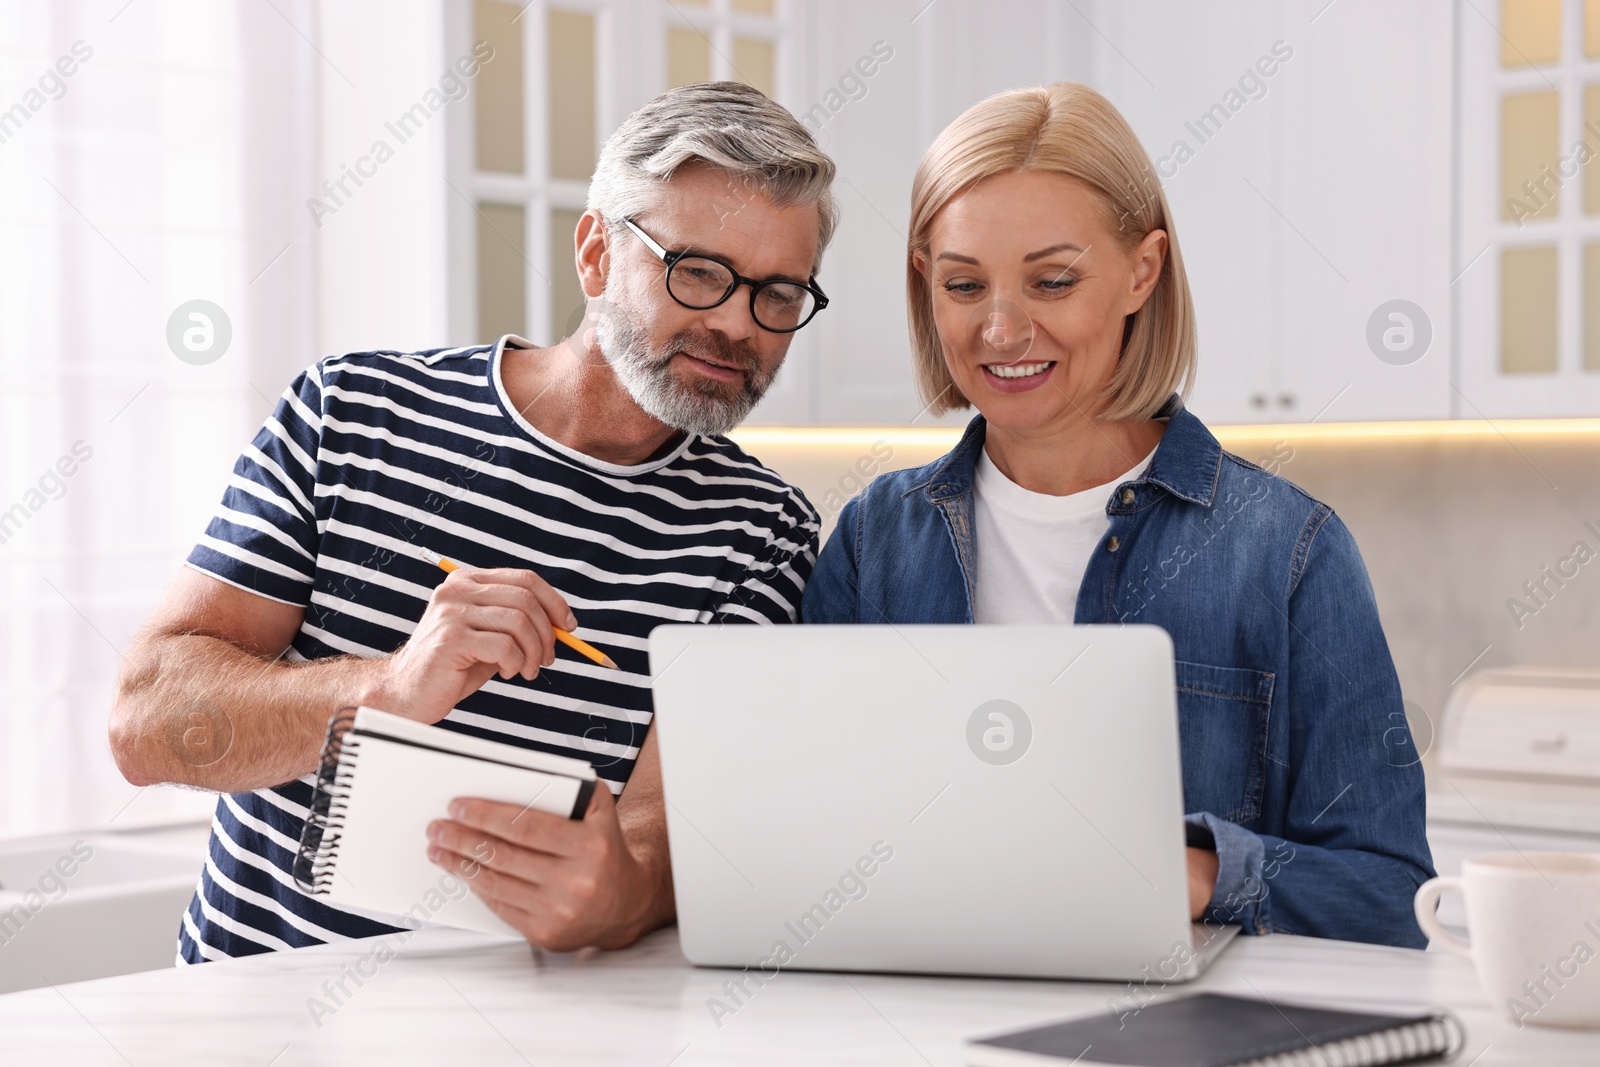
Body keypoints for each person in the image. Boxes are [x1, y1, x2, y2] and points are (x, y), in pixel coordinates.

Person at [110, 81, 836, 962]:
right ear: (598, 254)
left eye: (779, 294)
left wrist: (620, 895)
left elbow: (659, 830)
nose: (734, 324)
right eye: (698, 273)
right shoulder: (351, 412)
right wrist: (386, 689)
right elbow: (145, 722)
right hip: (245, 1017)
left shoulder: (765, 533)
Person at [801, 82, 1434, 948]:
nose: (1000, 329)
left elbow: (1393, 895)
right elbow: (797, 847)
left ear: (1144, 270)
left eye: (1052, 281)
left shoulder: (1287, 551)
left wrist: (1201, 872)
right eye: (962, 283)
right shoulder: (875, 539)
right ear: (924, 282)